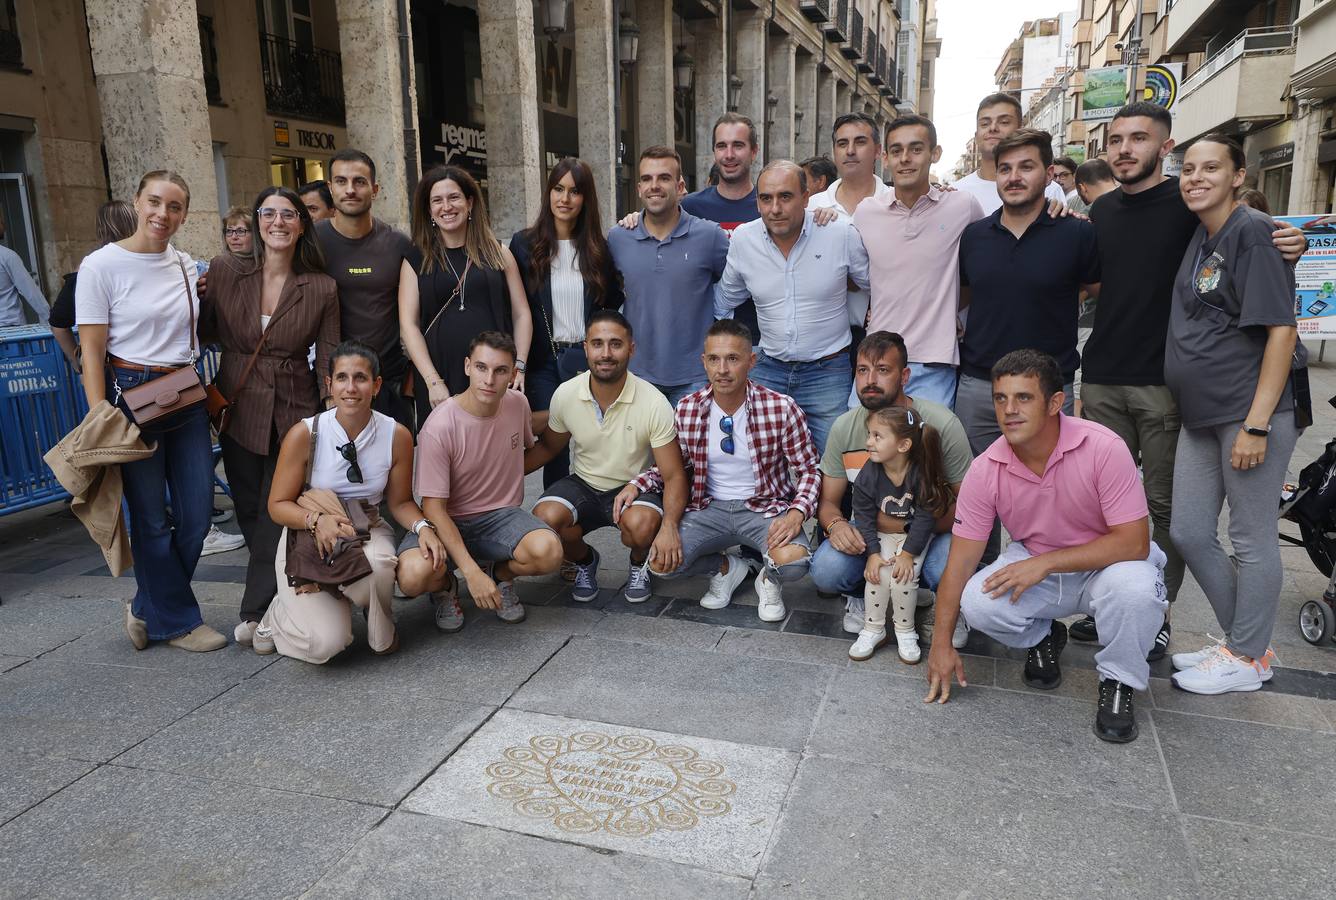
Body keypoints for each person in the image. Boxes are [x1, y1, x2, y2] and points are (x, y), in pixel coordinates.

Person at [1074, 102, 1306, 654]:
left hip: (1170, 389)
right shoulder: (1102, 212)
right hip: (1107, 376)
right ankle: (1113, 603)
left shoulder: (1191, 208)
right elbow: (1091, 282)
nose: (1125, 148)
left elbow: (1255, 254)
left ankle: (1158, 614)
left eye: (1139, 138)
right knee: (1100, 503)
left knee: (1165, 512)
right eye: (1116, 139)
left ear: (1164, 147)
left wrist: (1287, 246)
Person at [925, 350, 1168, 745]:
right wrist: (940, 645)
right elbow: (961, 561)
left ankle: (1119, 681)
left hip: (1110, 562)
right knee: (978, 601)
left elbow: (1135, 542)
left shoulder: (1104, 447)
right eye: (1001, 398)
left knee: (1136, 591)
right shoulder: (986, 468)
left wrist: (1047, 563)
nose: (1009, 410)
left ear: (1056, 402)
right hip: (1036, 560)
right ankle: (1043, 638)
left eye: (1024, 397)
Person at [1165, 135, 1302, 695]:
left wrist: (1256, 423)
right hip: (1202, 413)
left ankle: (1246, 657)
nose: (1196, 177)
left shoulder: (1252, 233)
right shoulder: (1205, 233)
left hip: (1246, 413)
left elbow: (1282, 331)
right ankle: (1244, 642)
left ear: (1238, 175)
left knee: (1250, 537)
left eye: (1211, 168)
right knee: (1190, 531)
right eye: (1189, 169)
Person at [75, 170, 224, 652]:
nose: (163, 214)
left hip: (185, 391)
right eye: (155, 202)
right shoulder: (101, 266)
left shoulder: (186, 266)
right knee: (150, 518)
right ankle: (177, 621)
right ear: (137, 203)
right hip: (130, 394)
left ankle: (146, 606)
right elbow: (91, 352)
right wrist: (99, 419)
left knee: (198, 515)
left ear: (184, 214)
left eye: (175, 206)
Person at [202, 186, 340, 647]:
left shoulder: (320, 286)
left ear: (303, 225)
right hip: (238, 404)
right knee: (246, 507)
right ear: (258, 222)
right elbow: (202, 329)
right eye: (268, 213)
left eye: (288, 215)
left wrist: (331, 412)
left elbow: (328, 355)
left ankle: (257, 610)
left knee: (274, 507)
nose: (277, 222)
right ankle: (275, 594)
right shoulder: (225, 271)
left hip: (294, 407)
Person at [255, 341, 446, 662]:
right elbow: (277, 505)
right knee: (327, 645)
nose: (351, 387)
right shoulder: (306, 433)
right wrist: (316, 520)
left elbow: (399, 502)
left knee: (381, 564)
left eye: (360, 378)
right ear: (329, 384)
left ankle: (381, 632)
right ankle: (279, 613)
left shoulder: (396, 435)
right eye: (342, 378)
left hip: (367, 525)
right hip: (310, 533)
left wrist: (424, 526)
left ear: (376, 385)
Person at [627, 319, 820, 622]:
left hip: (764, 509)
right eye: (714, 359)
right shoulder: (688, 409)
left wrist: (797, 513)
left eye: (733, 358)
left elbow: (809, 469)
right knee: (662, 563)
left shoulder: (781, 407)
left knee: (793, 564)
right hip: (708, 507)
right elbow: (675, 465)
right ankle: (726, 568)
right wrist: (637, 484)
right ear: (704, 362)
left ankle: (768, 579)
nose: (722, 369)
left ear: (751, 361)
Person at [811, 331, 973, 643]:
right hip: (872, 530)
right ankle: (861, 595)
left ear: (905, 376)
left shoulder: (941, 423)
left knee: (945, 566)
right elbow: (829, 502)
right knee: (825, 569)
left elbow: (969, 506)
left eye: (883, 370)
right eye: (862, 370)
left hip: (933, 528)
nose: (870, 380)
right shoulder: (845, 427)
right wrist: (836, 524)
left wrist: (910, 529)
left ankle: (949, 605)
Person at [400, 331, 564, 631]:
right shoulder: (439, 426)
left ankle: (500, 574)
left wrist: (570, 417)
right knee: (411, 576)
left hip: (500, 517)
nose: (489, 379)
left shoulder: (517, 404)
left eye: (500, 370)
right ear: (467, 367)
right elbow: (434, 508)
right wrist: (469, 573)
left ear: (513, 374)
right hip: (447, 520)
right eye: (481, 368)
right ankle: (445, 586)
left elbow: (523, 452)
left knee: (549, 551)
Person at [528, 310, 688, 603]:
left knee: (640, 527)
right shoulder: (566, 393)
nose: (606, 353)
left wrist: (669, 528)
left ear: (631, 349)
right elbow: (550, 448)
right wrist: (501, 472)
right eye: (598, 343)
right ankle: (585, 561)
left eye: (615, 344)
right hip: (585, 484)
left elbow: (673, 474)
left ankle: (639, 563)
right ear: (585, 347)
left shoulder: (653, 401)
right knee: (545, 520)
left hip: (634, 487)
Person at [955, 129, 1099, 453]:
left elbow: (1098, 290)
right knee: (976, 488)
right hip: (980, 388)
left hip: (1049, 387)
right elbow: (964, 297)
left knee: (1052, 487)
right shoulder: (974, 236)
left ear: (1049, 174)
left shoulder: (1076, 233)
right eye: (1005, 169)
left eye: (1026, 167)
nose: (1013, 177)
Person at [716, 160, 869, 452]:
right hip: (768, 369)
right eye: (766, 198)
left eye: (785, 196)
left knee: (833, 463)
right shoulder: (744, 240)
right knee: (765, 465)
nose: (775, 208)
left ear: (806, 198)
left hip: (828, 372)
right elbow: (725, 300)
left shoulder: (840, 233)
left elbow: (875, 285)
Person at [855, 115, 984, 409]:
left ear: (934, 154)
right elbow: (852, 271)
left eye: (915, 149)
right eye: (897, 151)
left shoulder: (962, 206)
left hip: (934, 362)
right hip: (877, 360)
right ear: (885, 158)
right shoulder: (866, 213)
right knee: (863, 450)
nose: (905, 159)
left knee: (925, 451)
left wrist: (956, 310)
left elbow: (989, 260)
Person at [510, 158, 624, 487]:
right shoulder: (524, 244)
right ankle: (554, 516)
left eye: (574, 191)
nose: (564, 198)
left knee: (597, 439)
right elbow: (515, 306)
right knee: (554, 441)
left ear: (585, 198)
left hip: (588, 358)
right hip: (545, 359)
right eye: (558, 189)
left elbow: (612, 302)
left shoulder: (599, 249)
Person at [398, 165, 532, 427]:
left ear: (470, 202)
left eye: (454, 197)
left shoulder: (498, 252)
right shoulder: (416, 259)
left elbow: (522, 313)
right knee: (445, 455)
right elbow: (408, 325)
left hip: (493, 376)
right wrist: (432, 381)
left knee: (493, 453)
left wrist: (520, 366)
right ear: (429, 210)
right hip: (439, 379)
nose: (446, 206)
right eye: (437, 200)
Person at [607, 146, 729, 406]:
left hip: (696, 376)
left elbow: (736, 289)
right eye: (647, 179)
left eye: (664, 178)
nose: (655, 186)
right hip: (637, 375)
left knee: (691, 449)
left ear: (680, 185)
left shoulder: (710, 237)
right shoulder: (618, 239)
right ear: (638, 188)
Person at [314, 149, 420, 431]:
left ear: (374, 190)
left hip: (390, 381)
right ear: (330, 188)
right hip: (336, 383)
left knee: (396, 468)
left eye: (359, 182)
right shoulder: (312, 242)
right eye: (341, 181)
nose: (350, 189)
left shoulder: (398, 244)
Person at [849, 405, 954, 663]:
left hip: (915, 537)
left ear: (903, 445)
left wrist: (908, 554)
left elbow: (925, 517)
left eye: (877, 436)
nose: (868, 442)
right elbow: (862, 515)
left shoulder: (920, 472)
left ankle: (905, 631)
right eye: (869, 435)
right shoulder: (869, 473)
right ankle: (873, 628)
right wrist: (873, 553)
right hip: (881, 533)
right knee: (878, 573)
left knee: (903, 575)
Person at [806, 113, 893, 352]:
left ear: (877, 150)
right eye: (842, 143)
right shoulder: (812, 207)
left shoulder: (895, 204)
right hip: (824, 344)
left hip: (885, 336)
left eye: (860, 142)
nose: (850, 150)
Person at [49, 201, 137, 369]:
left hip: (108, 365)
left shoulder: (88, 268)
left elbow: (58, 324)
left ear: (100, 229)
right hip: (149, 364)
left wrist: (79, 365)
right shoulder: (151, 262)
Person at [952, 93, 1067, 215]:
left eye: (1004, 122)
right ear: (976, 136)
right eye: (985, 124)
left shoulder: (1049, 189)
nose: (993, 128)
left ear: (1020, 129)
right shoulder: (957, 193)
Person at [0, 213, 48, 327]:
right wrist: (53, 321)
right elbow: (31, 293)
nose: (4, 226)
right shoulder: (7, 256)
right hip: (11, 331)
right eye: (1, 222)